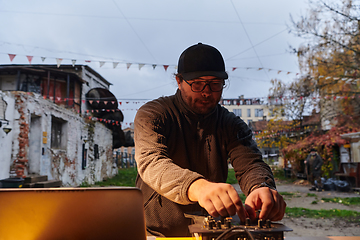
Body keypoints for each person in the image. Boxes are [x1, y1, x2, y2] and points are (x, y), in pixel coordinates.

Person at [134, 43, 286, 237]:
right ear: (179, 81)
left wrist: (260, 187)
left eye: (215, 84)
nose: (206, 92)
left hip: (213, 232)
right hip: (156, 231)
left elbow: (250, 164)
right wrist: (198, 187)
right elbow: (152, 162)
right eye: (197, 83)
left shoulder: (231, 124)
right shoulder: (153, 114)